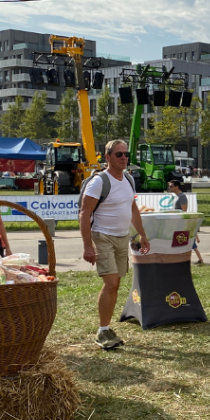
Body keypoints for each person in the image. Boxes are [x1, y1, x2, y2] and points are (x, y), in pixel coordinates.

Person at [81, 140, 150, 350]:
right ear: (107, 157)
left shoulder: (128, 179)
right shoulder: (99, 182)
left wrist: (141, 235)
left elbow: (133, 208)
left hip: (122, 237)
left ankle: (106, 327)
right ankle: (102, 330)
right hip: (102, 237)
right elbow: (84, 214)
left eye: (126, 154)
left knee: (116, 284)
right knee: (111, 283)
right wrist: (87, 246)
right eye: (118, 154)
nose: (124, 158)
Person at [167, 180, 203, 265]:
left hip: (180, 224)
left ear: (177, 186)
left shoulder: (182, 196)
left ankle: (185, 260)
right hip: (176, 223)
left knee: (183, 243)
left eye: (171, 186)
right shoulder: (176, 196)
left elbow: (184, 211)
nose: (169, 188)